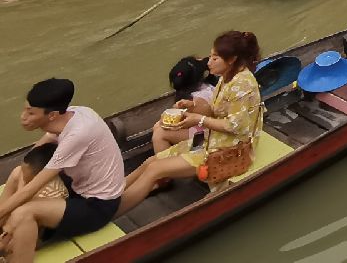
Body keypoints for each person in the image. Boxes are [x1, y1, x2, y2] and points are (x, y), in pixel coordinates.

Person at [120, 31, 263, 209]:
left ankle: (112, 211)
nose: (208, 62)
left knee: (154, 169)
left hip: (232, 149)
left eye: (215, 58)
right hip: (213, 138)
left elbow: (235, 126)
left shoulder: (242, 84)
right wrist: (193, 105)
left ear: (232, 59)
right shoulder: (227, 77)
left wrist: (198, 119)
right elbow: (216, 109)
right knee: (151, 162)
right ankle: (113, 194)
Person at [0, 78, 124, 261]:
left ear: (51, 115)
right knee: (18, 172)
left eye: (31, 113)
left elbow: (32, 188)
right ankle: (5, 233)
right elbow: (36, 154)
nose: (23, 117)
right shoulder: (75, 112)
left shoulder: (77, 134)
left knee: (24, 211)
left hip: (96, 205)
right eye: (25, 109)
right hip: (76, 185)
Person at [147, 57, 215, 157]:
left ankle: (166, 166)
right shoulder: (208, 87)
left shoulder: (194, 100)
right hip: (206, 128)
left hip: (206, 134)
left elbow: (172, 121)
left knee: (159, 134)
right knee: (158, 127)